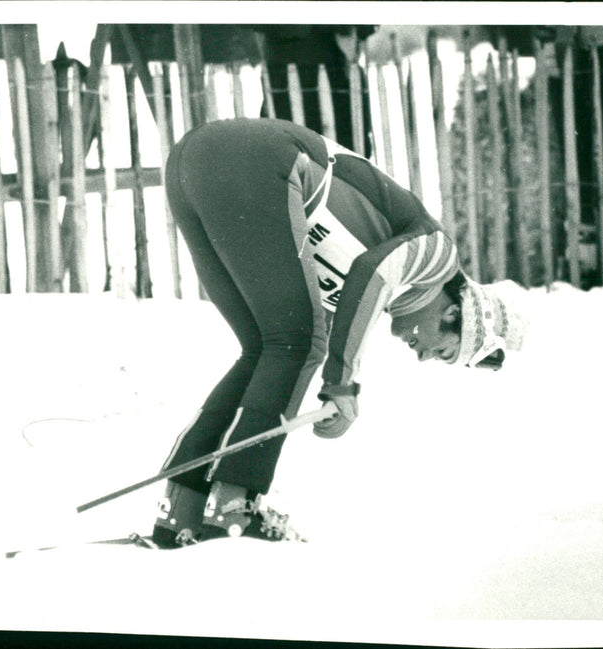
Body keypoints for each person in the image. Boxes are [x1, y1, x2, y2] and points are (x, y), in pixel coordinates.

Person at [152, 117, 527, 548]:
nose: (421, 357)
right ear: (452, 316)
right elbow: (371, 273)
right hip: (253, 160)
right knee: (298, 342)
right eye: (442, 352)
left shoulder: (370, 290)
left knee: (267, 347)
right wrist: (342, 384)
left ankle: (182, 505)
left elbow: (356, 292)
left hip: (194, 159)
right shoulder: (438, 255)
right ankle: (235, 505)